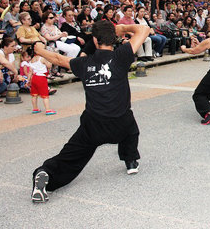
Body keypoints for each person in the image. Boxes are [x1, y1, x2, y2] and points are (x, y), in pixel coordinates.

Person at [30, 21, 150, 203]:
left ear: (94, 40)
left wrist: (39, 51)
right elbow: (143, 29)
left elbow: (58, 59)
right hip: (120, 122)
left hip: (93, 126)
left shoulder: (85, 62)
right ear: (115, 38)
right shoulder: (121, 56)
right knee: (131, 127)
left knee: (70, 158)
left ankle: (46, 174)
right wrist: (123, 28)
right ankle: (131, 160)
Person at [22, 47, 55, 115]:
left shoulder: (32, 60)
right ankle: (48, 109)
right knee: (45, 94)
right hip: (41, 78)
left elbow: (30, 71)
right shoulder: (42, 58)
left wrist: (28, 80)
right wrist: (50, 59)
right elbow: (49, 66)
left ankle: (35, 108)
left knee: (34, 95)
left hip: (34, 77)